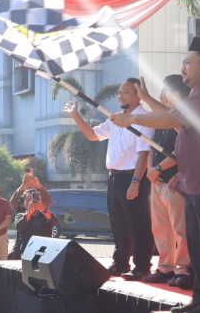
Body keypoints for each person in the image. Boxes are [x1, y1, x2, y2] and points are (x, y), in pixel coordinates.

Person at [111, 37, 200, 313]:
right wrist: (145, 101)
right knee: (197, 245)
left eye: (188, 62)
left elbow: (173, 119)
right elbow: (173, 116)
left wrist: (133, 119)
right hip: (197, 181)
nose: (183, 68)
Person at [65, 79, 156, 279]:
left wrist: (135, 182)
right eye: (119, 92)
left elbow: (143, 154)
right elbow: (92, 135)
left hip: (132, 176)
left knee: (138, 223)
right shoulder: (114, 119)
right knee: (118, 223)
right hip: (114, 177)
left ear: (137, 94)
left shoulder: (144, 118)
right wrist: (75, 115)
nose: (120, 96)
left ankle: (142, 266)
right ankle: (120, 262)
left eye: (125, 92)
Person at [137, 75, 192, 287]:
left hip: (174, 180)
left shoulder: (181, 117)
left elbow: (181, 151)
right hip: (157, 180)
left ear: (176, 94)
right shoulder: (162, 118)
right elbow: (152, 145)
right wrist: (151, 170)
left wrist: (159, 168)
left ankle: (183, 269)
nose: (161, 96)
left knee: (180, 228)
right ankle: (165, 267)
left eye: (164, 92)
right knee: (160, 227)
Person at [8, 176, 57, 259]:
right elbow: (20, 226)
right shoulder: (21, 215)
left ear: (40, 200)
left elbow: (54, 222)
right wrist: (23, 186)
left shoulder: (45, 215)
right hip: (25, 254)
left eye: (34, 199)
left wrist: (43, 208)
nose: (31, 202)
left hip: (44, 254)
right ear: (23, 203)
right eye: (28, 200)